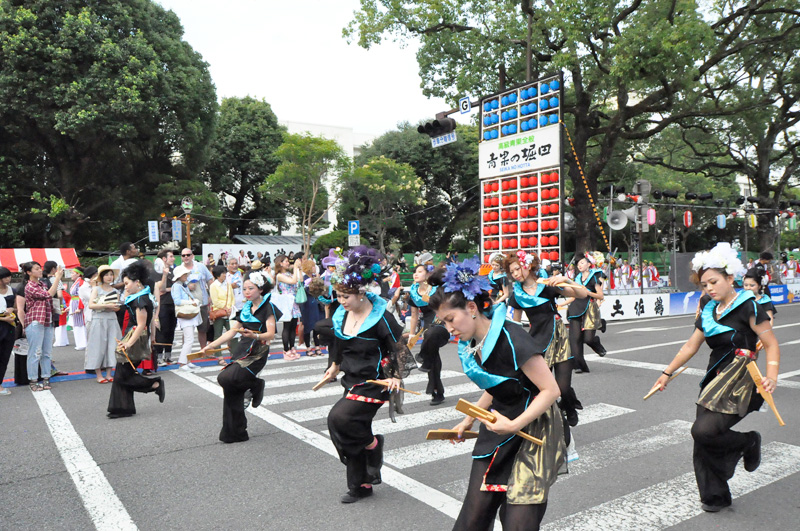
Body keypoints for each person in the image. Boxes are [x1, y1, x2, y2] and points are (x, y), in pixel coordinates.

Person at [428, 258, 565, 530]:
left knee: (518, 524)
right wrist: (469, 419)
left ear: (471, 308)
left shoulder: (512, 337)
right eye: (443, 322)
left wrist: (514, 425)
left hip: (534, 428)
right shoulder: (471, 343)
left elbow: (551, 390)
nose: (449, 328)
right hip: (499, 425)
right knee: (473, 519)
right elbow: (500, 384)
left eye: (450, 319)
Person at [652, 242, 779, 513]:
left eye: (714, 282)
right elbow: (691, 345)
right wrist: (666, 373)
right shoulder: (709, 308)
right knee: (703, 439)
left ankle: (748, 441)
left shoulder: (749, 306)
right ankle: (714, 495)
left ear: (730, 278)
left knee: (703, 431)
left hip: (742, 381)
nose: (709, 288)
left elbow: (771, 344)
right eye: (704, 284)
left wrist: (772, 377)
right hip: (714, 379)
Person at [318, 246, 412, 504]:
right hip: (352, 379)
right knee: (352, 427)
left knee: (340, 418)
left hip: (376, 380)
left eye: (345, 296)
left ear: (361, 292)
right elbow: (339, 343)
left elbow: (399, 347)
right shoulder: (341, 314)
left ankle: (372, 446)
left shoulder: (381, 317)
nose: (341, 301)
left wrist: (396, 376)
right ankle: (361, 484)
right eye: (338, 295)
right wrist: (334, 366)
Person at [505, 250, 589, 429]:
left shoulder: (547, 285)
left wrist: (565, 279)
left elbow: (582, 294)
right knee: (544, 388)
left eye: (517, 269)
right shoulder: (516, 295)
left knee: (563, 388)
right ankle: (552, 424)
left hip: (559, 337)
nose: (516, 274)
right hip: (537, 341)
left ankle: (569, 405)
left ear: (528, 266)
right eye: (512, 272)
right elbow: (515, 326)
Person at [198, 270, 280, 442]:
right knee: (230, 387)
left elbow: (271, 334)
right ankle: (235, 432)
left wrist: (254, 335)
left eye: (251, 288)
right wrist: (211, 346)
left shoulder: (268, 307)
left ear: (261, 289)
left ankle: (256, 384)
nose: (246, 292)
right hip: (242, 348)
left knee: (226, 377)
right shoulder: (245, 309)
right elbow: (231, 332)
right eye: (244, 289)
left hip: (257, 351)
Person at [107, 261, 165, 418]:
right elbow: (149, 322)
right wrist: (152, 337)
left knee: (122, 375)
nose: (125, 287)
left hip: (136, 338)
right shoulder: (142, 297)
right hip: (135, 336)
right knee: (122, 372)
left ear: (137, 282)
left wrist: (128, 343)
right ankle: (122, 408)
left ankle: (154, 384)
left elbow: (141, 325)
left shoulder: (140, 300)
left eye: (127, 283)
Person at [407, 253, 450, 405]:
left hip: (442, 324)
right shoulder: (413, 292)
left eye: (419, 271)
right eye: (415, 272)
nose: (415, 274)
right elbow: (414, 315)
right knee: (433, 356)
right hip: (427, 328)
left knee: (432, 334)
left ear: (427, 274)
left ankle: (422, 356)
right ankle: (437, 392)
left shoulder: (437, 289)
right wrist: (412, 334)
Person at [21, 261, 65, 391]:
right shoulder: (30, 286)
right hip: (35, 321)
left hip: (47, 320)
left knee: (47, 353)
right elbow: (48, 295)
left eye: (40, 268)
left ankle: (46, 378)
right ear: (29, 272)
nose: (40, 270)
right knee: (35, 353)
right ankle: (33, 380)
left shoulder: (42, 284)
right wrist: (57, 278)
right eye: (36, 269)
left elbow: (50, 298)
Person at [564, 252, 608, 373]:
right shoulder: (576, 279)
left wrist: (587, 292)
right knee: (575, 338)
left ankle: (596, 342)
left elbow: (600, 295)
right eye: (578, 263)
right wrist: (561, 304)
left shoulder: (594, 276)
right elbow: (573, 296)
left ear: (589, 264)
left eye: (582, 262)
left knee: (588, 338)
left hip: (589, 309)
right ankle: (578, 365)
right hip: (576, 308)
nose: (579, 265)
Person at [86, 266, 121, 383]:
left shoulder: (115, 291)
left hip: (112, 319)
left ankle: (109, 373)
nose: (109, 277)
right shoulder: (96, 289)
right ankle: (99, 374)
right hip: (99, 319)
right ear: (101, 277)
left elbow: (117, 308)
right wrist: (106, 305)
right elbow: (91, 305)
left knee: (112, 346)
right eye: (106, 275)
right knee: (97, 346)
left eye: (111, 274)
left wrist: (114, 307)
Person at [179, 248, 213, 348]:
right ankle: (185, 352)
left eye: (188, 255)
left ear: (192, 256)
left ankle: (203, 350)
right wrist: (186, 286)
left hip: (202, 302)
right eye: (183, 255)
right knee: (187, 330)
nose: (186, 257)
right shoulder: (179, 269)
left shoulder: (201, 266)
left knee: (203, 329)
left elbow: (210, 280)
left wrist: (211, 296)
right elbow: (176, 286)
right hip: (187, 304)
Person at [171, 264, 202, 370]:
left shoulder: (182, 285)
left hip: (188, 314)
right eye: (184, 274)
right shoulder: (177, 286)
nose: (186, 276)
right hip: (185, 314)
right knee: (189, 339)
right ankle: (183, 363)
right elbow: (177, 301)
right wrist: (191, 302)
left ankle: (187, 361)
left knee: (190, 339)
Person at [273, 254, 302, 360]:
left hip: (293, 301)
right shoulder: (279, 275)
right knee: (287, 326)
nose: (288, 263)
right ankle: (286, 350)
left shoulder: (289, 274)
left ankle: (292, 347)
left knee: (293, 326)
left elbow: (299, 280)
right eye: (285, 261)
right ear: (280, 263)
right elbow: (293, 281)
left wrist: (299, 269)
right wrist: (295, 268)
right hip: (286, 302)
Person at [154, 250, 177, 365]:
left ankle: (168, 356)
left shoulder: (174, 271)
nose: (173, 258)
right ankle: (158, 357)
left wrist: (170, 289)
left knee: (171, 330)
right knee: (161, 330)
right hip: (162, 304)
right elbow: (161, 289)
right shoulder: (158, 272)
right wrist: (171, 288)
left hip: (173, 303)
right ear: (164, 259)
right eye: (171, 256)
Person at [209, 265, 234, 362]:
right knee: (218, 335)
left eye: (225, 273)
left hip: (230, 313)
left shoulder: (228, 285)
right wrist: (225, 308)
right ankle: (219, 356)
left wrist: (230, 308)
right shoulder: (213, 286)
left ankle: (234, 354)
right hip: (219, 313)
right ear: (218, 275)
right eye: (223, 273)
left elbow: (232, 298)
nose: (225, 275)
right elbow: (215, 301)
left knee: (233, 333)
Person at [0, 267, 17, 395]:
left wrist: (12, 309)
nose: (8, 279)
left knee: (5, 356)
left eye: (9, 276)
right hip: (3, 323)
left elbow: (18, 307)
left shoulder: (12, 290)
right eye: (6, 277)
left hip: (9, 326)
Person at [67, 267, 88, 351]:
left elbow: (82, 296)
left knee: (80, 324)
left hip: (78, 304)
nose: (71, 275)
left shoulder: (81, 282)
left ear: (78, 274)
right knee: (76, 324)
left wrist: (80, 307)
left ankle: (82, 343)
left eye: (73, 273)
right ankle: (80, 343)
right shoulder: (77, 282)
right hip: (74, 304)